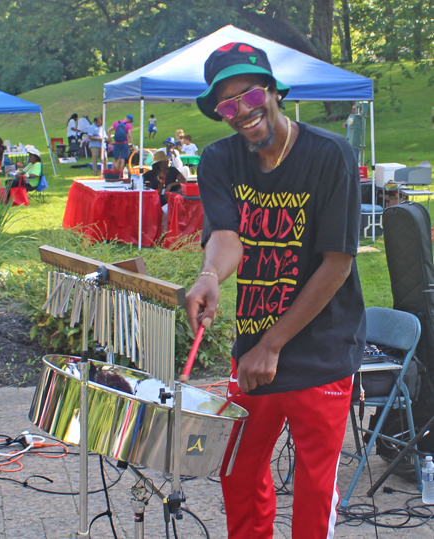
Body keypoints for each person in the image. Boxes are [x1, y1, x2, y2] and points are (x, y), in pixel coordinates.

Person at [185, 42, 365, 539]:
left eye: (249, 94)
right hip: (253, 350)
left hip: (320, 351)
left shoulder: (330, 155)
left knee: (313, 490)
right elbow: (226, 237)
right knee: (238, 473)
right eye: (227, 104)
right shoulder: (220, 160)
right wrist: (207, 277)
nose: (241, 110)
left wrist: (273, 344)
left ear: (272, 91)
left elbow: (337, 263)